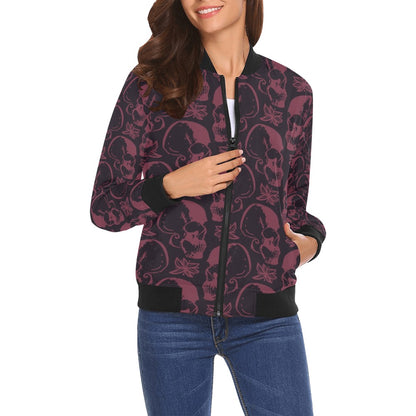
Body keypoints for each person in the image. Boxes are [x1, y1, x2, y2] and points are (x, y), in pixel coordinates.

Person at [90, 0, 326, 414]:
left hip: (267, 316)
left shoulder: (292, 92)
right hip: (171, 318)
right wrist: (171, 185)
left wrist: (311, 242)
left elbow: (295, 205)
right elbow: (105, 206)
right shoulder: (152, 84)